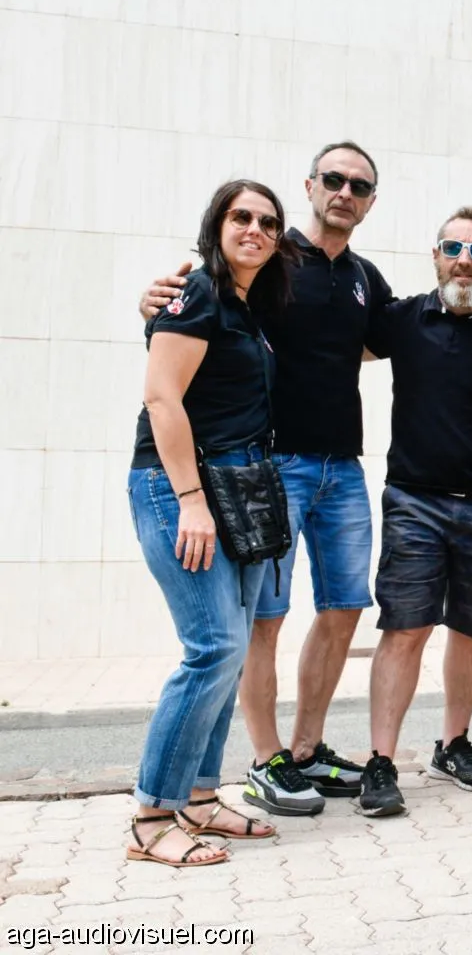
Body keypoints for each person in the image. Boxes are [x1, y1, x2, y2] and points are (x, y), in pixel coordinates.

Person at [139, 142, 390, 815]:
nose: (345, 191)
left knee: (344, 607)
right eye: (333, 179)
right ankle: (265, 758)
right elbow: (198, 322)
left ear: (371, 201)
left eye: (359, 185)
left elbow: (401, 336)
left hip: (343, 468)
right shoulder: (271, 262)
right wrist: (155, 303)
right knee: (260, 624)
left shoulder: (364, 279)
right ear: (311, 186)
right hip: (268, 468)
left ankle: (305, 750)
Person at [126, 180, 293, 866]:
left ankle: (199, 797)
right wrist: (190, 500)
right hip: (182, 489)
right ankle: (151, 815)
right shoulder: (196, 292)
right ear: (216, 226)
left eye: (268, 222)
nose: (255, 229)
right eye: (240, 216)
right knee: (214, 648)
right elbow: (162, 398)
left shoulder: (247, 306)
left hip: (239, 491)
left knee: (233, 650)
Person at [354, 207, 472, 817]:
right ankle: (380, 762)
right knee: (405, 628)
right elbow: (324, 339)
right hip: (414, 502)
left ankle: (453, 745)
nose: (463, 260)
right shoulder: (404, 319)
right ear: (435, 256)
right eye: (453, 248)